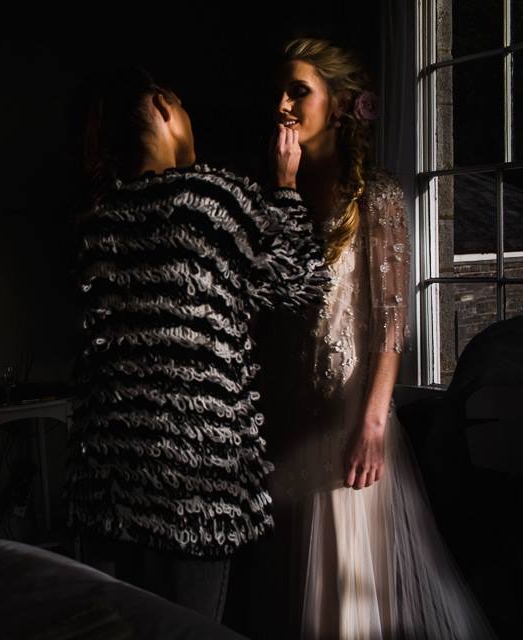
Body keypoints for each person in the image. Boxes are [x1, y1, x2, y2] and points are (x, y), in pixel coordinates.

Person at [249, 37, 495, 638]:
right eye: (278, 92)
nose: (282, 105)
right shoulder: (275, 193)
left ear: (339, 104)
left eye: (298, 91)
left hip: (346, 418)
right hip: (285, 410)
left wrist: (374, 425)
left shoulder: (375, 195)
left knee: (344, 581)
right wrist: (282, 189)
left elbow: (391, 323)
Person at [64, 67, 327, 621]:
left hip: (109, 479)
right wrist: (286, 185)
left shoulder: (97, 219)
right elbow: (300, 282)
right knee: (187, 629)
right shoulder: (206, 198)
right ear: (163, 107)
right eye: (182, 106)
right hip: (191, 483)